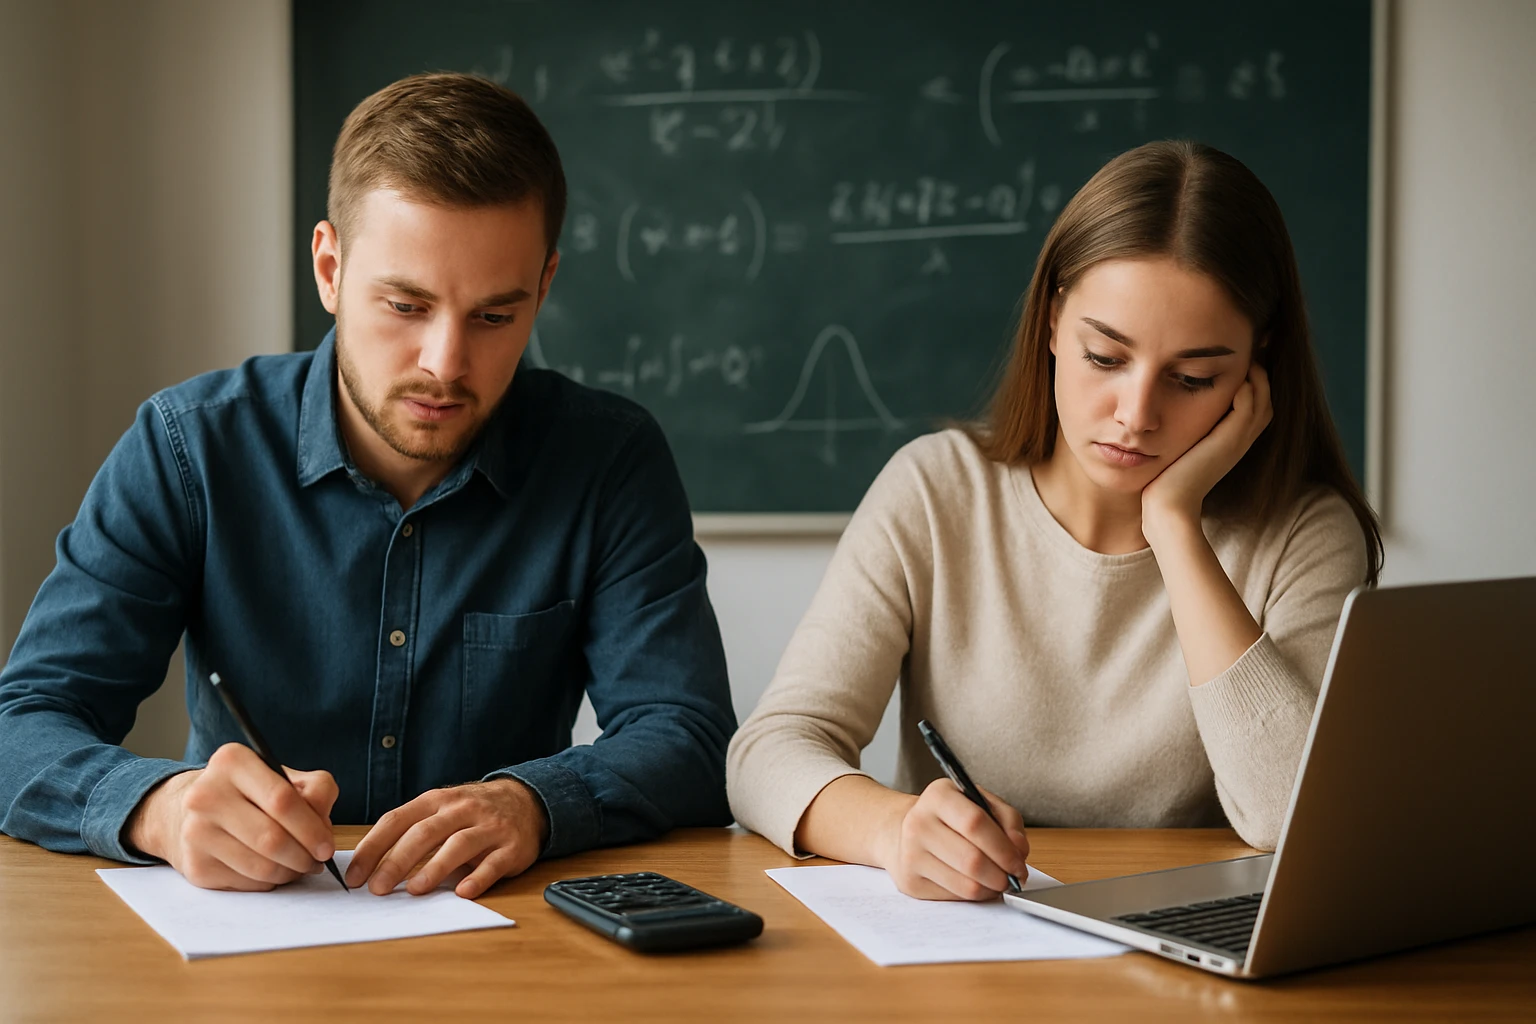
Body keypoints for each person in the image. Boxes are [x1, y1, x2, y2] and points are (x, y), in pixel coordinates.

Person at [0, 73, 736, 898]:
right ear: (328, 267)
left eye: (495, 316)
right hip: (246, 940)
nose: (446, 364)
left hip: (501, 943)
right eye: (405, 305)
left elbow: (691, 736)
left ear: (545, 287)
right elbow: (21, 724)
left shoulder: (608, 459)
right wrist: (159, 809)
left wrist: (535, 801)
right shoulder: (189, 447)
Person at [727, 140, 1382, 902]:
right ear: (1050, 319)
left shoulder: (1304, 533)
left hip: (1183, 960)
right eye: (1105, 356)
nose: (1136, 415)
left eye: (1193, 378)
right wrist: (891, 829)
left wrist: (1174, 526)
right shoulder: (937, 490)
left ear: (1254, 370)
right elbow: (767, 753)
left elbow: (1294, 816)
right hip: (962, 953)